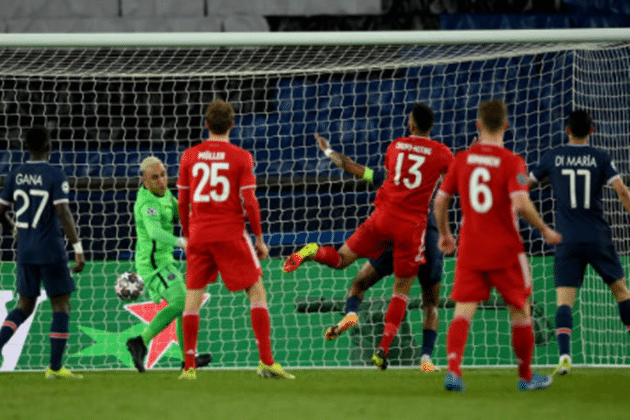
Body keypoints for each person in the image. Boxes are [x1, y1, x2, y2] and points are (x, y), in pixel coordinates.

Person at [284, 102, 453, 370]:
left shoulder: (395, 149)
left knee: (343, 262)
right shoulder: (443, 153)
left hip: (383, 220)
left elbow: (351, 166)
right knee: (411, 297)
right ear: (431, 126)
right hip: (415, 233)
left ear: (410, 124)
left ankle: (315, 257)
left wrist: (327, 150)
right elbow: (454, 183)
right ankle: (402, 354)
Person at [433, 99, 562, 392]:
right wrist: (544, 229)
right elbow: (519, 202)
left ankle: (453, 370)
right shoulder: (511, 161)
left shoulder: (462, 159)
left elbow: (440, 201)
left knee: (463, 310)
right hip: (505, 249)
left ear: (477, 125)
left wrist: (445, 234)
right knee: (520, 309)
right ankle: (525, 376)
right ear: (506, 125)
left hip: (470, 247)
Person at [177, 99, 293, 380]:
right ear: (232, 125)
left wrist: (188, 233)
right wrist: (260, 239)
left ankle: (189, 366)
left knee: (192, 298)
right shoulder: (241, 156)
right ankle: (266, 361)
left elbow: (182, 200)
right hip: (230, 233)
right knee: (256, 290)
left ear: (205, 124)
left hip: (199, 234)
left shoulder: (189, 156)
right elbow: (250, 202)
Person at [314, 133, 442, 372]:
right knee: (430, 304)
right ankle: (425, 359)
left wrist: (328, 151)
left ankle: (351, 312)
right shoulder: (429, 183)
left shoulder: (387, 178)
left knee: (359, 285)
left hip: (394, 237)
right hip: (429, 238)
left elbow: (352, 167)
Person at [528, 110, 630, 376]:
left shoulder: (553, 156)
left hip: (566, 238)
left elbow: (524, 182)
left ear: (567, 130)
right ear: (592, 131)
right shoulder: (601, 157)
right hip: (598, 236)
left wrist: (510, 179)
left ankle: (564, 357)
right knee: (621, 292)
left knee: (564, 302)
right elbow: (621, 190)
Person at [0, 127, 85, 378]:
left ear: (27, 147)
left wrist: (14, 228)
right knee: (61, 306)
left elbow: (0, 210)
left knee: (24, 306)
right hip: (50, 250)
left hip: (25, 251)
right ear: (48, 146)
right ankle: (55, 367)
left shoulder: (15, 175)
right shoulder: (54, 175)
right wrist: (77, 247)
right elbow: (63, 212)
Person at [125, 156, 212, 372]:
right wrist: (181, 242)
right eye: (155, 178)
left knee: (187, 305)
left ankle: (187, 359)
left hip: (166, 261)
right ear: (145, 180)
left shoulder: (165, 195)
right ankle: (140, 341)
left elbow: (181, 211)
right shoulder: (147, 203)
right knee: (183, 301)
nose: (162, 181)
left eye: (163, 175)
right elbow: (154, 232)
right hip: (153, 265)